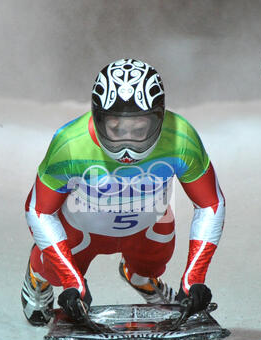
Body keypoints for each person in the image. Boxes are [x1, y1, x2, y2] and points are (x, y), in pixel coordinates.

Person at [21, 58, 225, 326]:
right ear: (97, 117)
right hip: (82, 231)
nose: (127, 146)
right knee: (58, 270)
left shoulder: (182, 137)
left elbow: (210, 204)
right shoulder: (69, 143)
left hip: (146, 228)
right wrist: (70, 280)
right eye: (116, 128)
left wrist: (194, 277)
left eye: (140, 128)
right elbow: (39, 210)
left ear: (160, 118)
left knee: (155, 258)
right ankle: (40, 275)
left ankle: (140, 276)